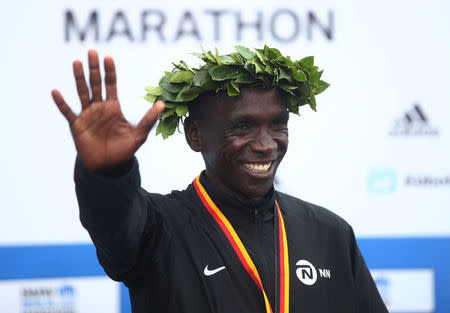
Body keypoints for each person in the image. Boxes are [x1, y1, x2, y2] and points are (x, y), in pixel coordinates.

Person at [52, 49, 388, 313]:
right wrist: (107, 174)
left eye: (277, 125)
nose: (266, 144)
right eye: (242, 127)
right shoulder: (156, 229)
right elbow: (113, 220)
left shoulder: (329, 233)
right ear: (195, 135)